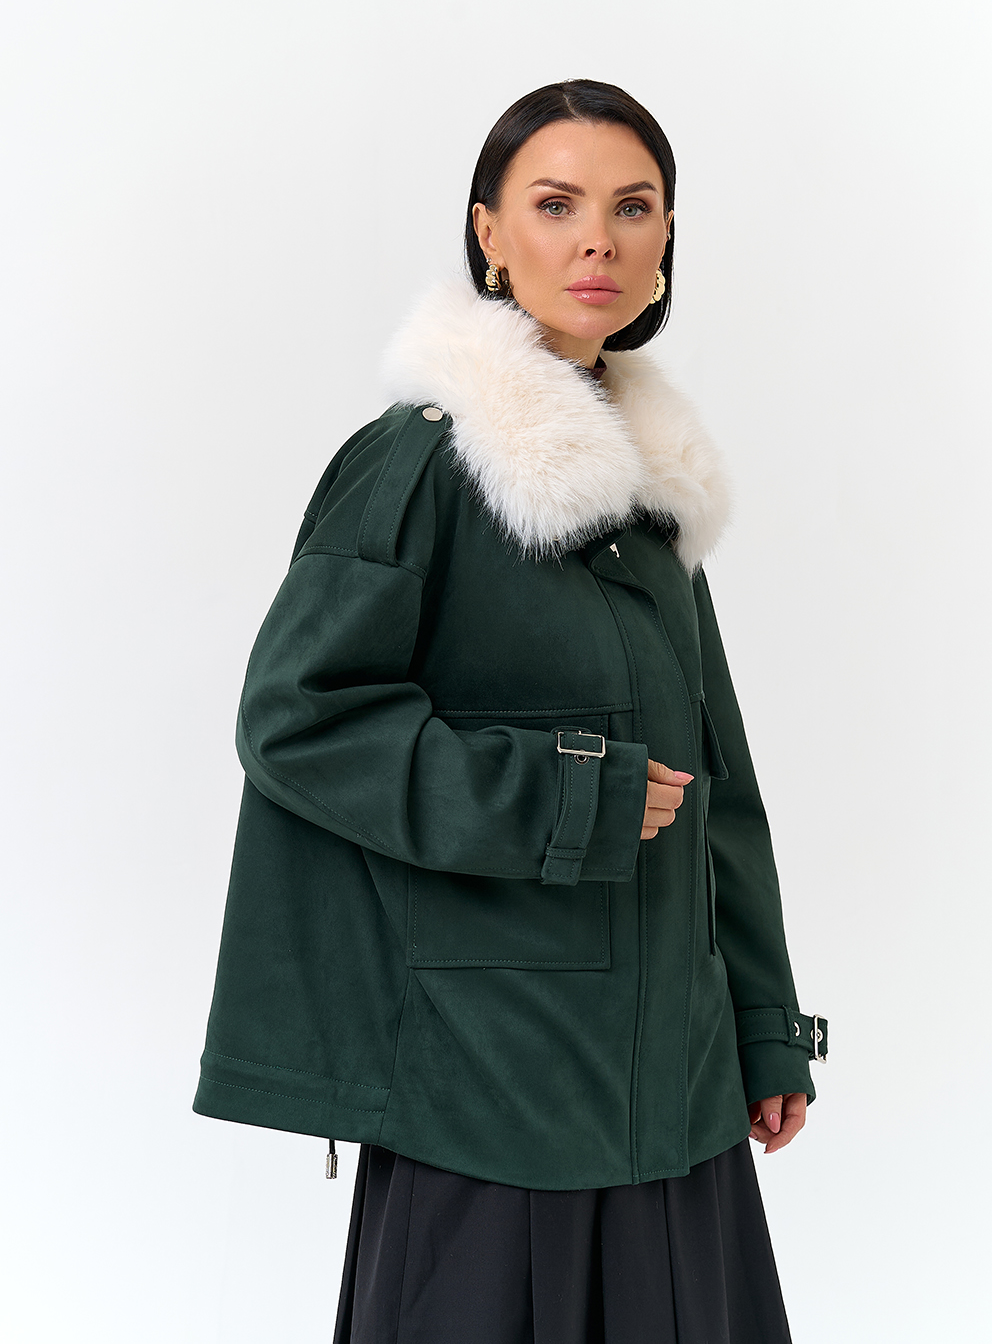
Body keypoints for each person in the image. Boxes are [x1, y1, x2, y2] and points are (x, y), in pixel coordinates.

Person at [192, 78, 828, 1344]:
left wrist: (763, 1028)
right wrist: (561, 796)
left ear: (663, 239)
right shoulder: (421, 460)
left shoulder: (647, 494)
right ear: (489, 233)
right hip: (487, 1085)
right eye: (555, 204)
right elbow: (293, 718)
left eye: (631, 207)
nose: (597, 240)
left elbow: (719, 790)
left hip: (673, 1086)